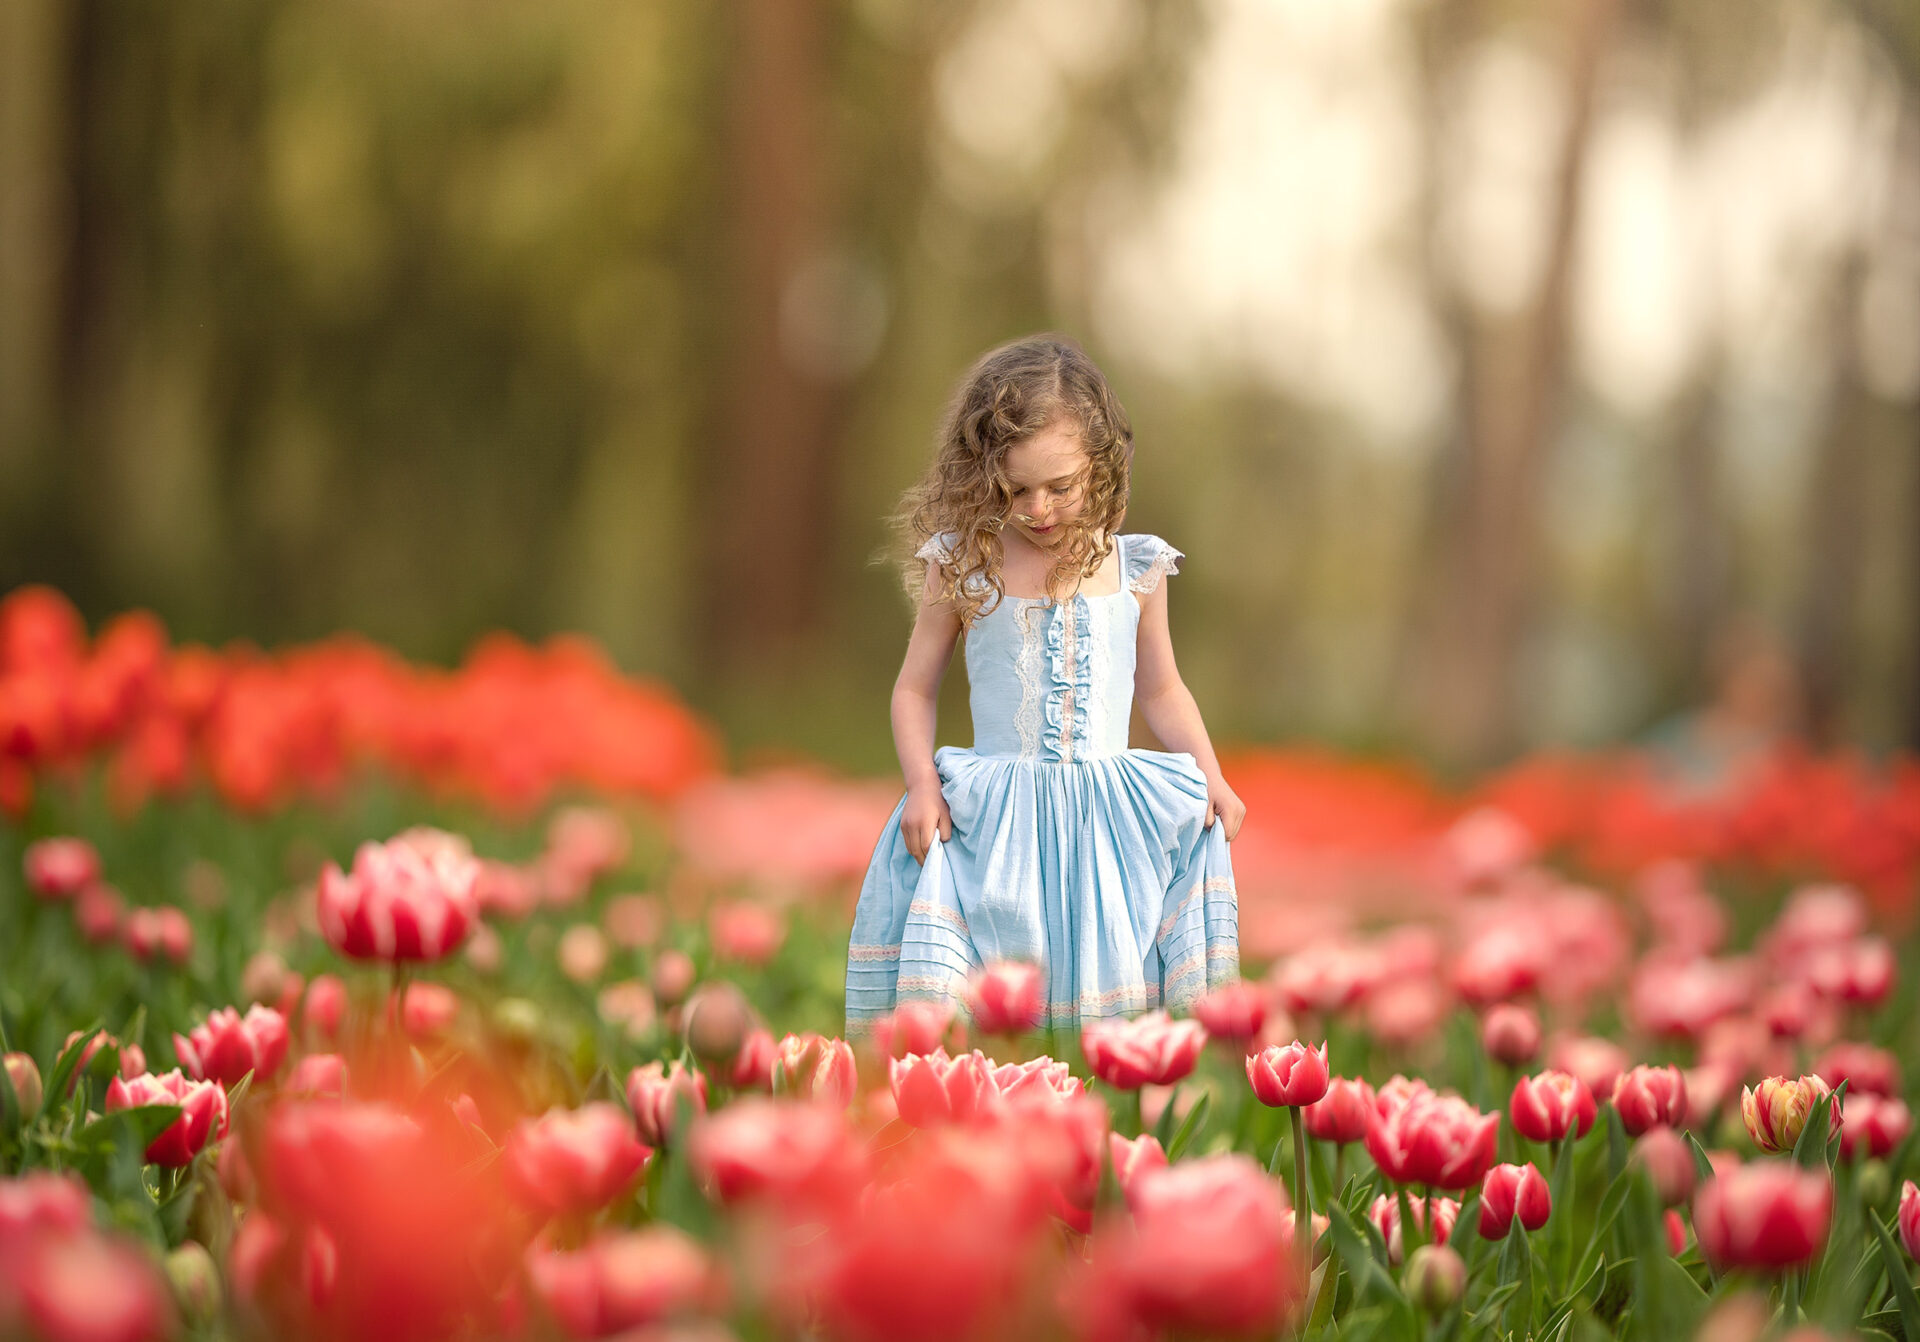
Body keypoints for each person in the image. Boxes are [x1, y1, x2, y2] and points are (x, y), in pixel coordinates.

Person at [844, 334, 1244, 1034]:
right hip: (994, 828)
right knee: (986, 1001)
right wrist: (921, 784)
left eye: (1061, 486)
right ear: (983, 476)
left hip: (1106, 827)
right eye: (1015, 489)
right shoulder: (964, 564)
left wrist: (1210, 773)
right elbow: (913, 689)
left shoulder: (1135, 568)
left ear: (1101, 466)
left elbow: (1162, 690)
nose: (1038, 508)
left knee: (1106, 996)